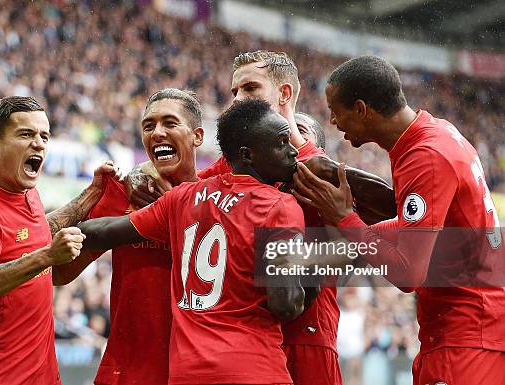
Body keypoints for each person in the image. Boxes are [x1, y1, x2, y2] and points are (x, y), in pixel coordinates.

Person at [292, 55, 505, 385]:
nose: (332, 120)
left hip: (467, 337)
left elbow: (408, 272)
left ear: (362, 109)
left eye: (336, 109)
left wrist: (345, 219)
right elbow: (421, 227)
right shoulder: (435, 134)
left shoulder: (425, 156)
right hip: (465, 332)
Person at [80, 98, 308, 385]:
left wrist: (68, 218)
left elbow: (100, 232)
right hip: (253, 367)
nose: (292, 152)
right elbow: (286, 304)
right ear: (248, 155)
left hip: (188, 371)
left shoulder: (183, 198)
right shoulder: (280, 206)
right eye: (282, 142)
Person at [0, 96, 114, 384]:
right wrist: (47, 256)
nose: (39, 143)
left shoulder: (27, 193)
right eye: (26, 134)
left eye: (44, 136)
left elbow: (35, 236)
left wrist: (91, 195)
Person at [55, 88, 205, 385]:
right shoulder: (122, 192)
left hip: (196, 369)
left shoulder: (215, 196)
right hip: (126, 371)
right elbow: (60, 273)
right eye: (148, 126)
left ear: (197, 136)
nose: (157, 133)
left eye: (170, 123)